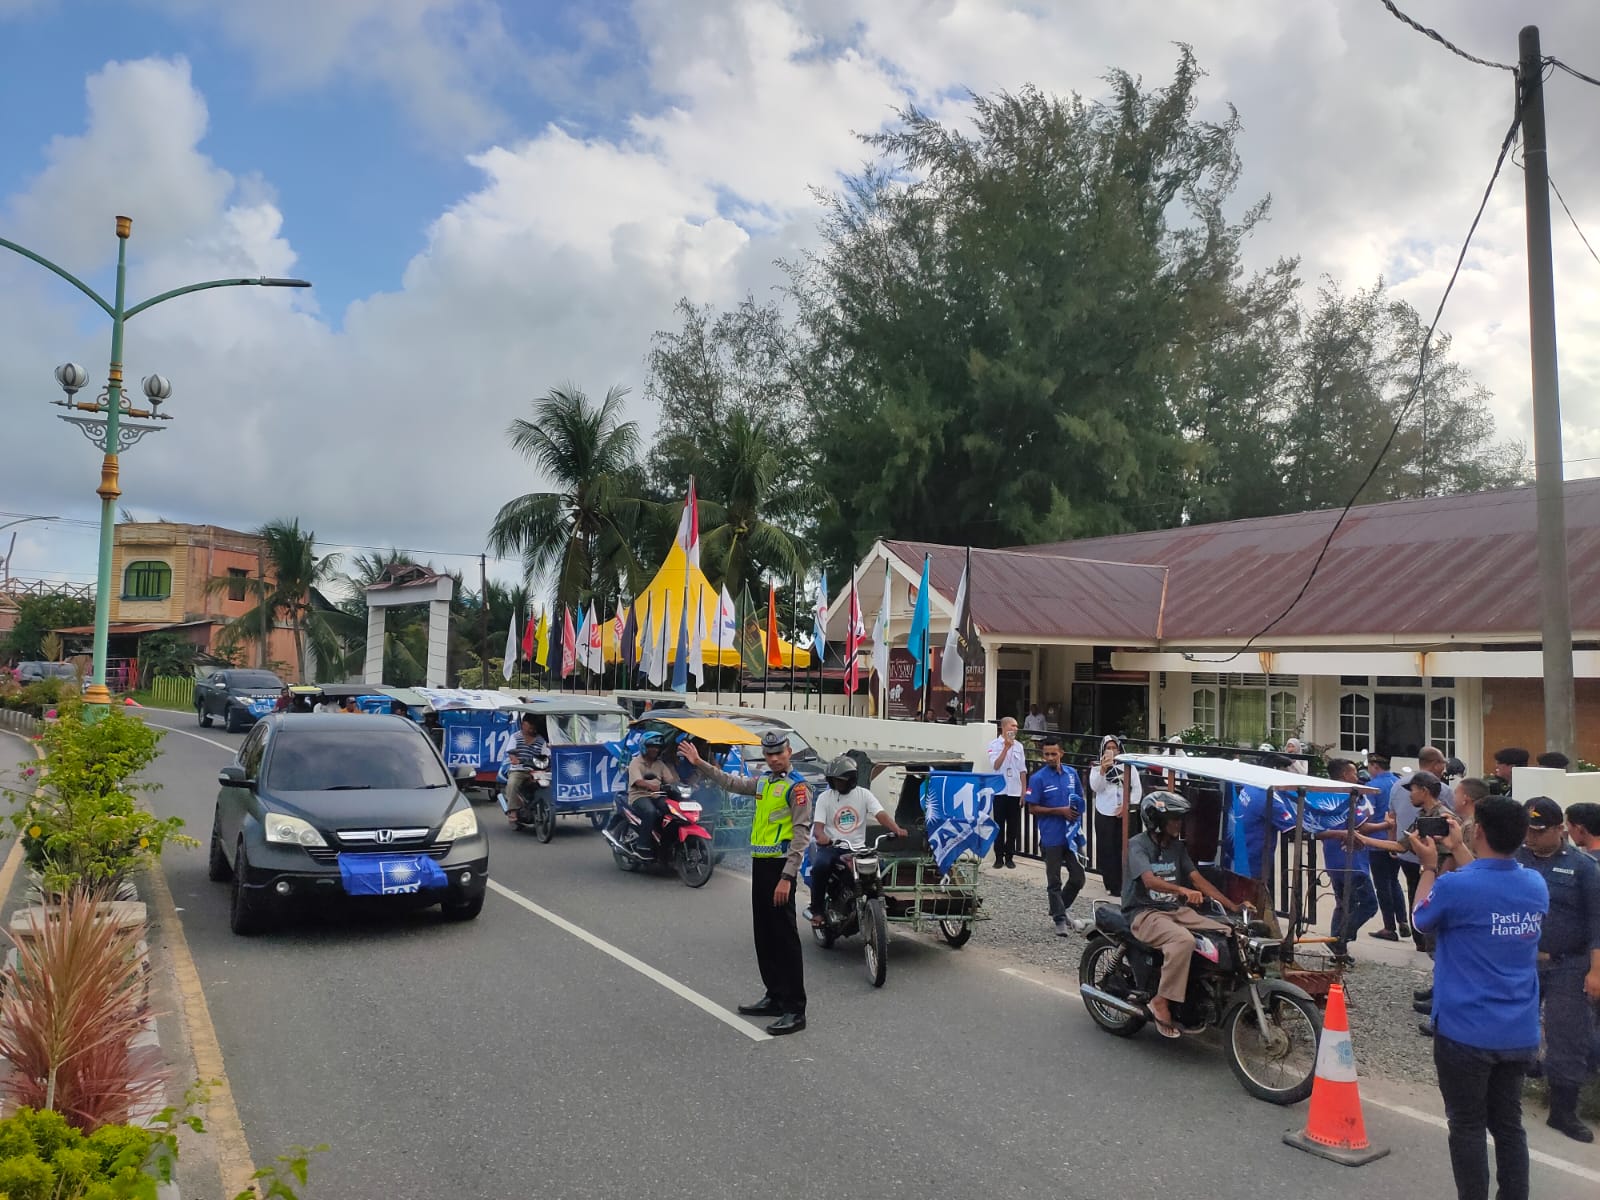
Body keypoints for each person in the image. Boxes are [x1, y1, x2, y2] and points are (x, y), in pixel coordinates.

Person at [1410, 795, 1548, 1200]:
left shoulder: (1455, 885)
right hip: (1519, 1030)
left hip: (1466, 1031)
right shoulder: (1534, 883)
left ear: (1480, 831)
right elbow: (1490, 886)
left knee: (1467, 1126)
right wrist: (1458, 847)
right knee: (1509, 1125)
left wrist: (1430, 866)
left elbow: (1421, 918)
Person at [680, 731, 811, 1035]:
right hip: (761, 866)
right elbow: (731, 782)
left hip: (780, 869)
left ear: (789, 752)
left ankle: (795, 1009)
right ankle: (775, 996)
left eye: (779, 752)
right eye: (769, 754)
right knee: (764, 935)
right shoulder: (764, 782)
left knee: (785, 940)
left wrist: (788, 877)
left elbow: (801, 835)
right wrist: (700, 762)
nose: (775, 758)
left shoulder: (798, 788)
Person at [1514, 797, 1600, 1143]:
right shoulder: (1516, 859)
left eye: (1539, 832)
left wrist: (1595, 971)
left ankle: (1564, 1111)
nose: (1532, 839)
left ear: (1560, 829)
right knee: (1515, 1028)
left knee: (1568, 1036)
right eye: (1528, 832)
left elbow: (1597, 922)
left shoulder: (1583, 867)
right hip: (1524, 960)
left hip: (1569, 963)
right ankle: (1509, 1094)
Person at [1122, 790, 1240, 1038]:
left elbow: (1198, 880)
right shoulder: (1137, 845)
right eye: (1173, 818)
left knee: (1226, 931)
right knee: (1183, 940)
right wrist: (1180, 889)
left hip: (1174, 911)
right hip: (1144, 913)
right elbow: (1150, 881)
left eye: (1179, 818)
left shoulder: (1177, 848)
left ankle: (1203, 991)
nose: (1179, 823)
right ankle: (1161, 1000)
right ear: (1156, 820)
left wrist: (1232, 907)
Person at [807, 756, 904, 927]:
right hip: (833, 847)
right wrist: (823, 838)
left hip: (858, 848)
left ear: (851, 780)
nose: (837, 784)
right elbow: (819, 828)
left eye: (841, 780)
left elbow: (880, 814)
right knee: (820, 866)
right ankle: (817, 910)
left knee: (881, 867)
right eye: (834, 780)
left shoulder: (864, 795)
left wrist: (895, 829)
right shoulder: (824, 798)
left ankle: (875, 904)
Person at [1315, 758, 1379, 965]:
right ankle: (1339, 939)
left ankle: (1339, 950)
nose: (1357, 776)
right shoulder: (1350, 798)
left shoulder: (1325, 798)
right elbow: (1362, 826)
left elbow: (1319, 831)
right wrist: (1386, 824)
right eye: (1353, 773)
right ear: (1344, 775)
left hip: (1334, 861)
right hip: (1352, 862)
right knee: (1368, 904)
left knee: (1344, 904)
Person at [1026, 736, 1086, 936]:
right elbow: (1032, 808)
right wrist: (1060, 811)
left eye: (1054, 754)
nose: (1050, 758)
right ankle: (1059, 919)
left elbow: (1079, 798)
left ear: (1061, 753)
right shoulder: (1038, 778)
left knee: (1078, 877)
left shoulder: (1071, 774)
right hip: (1051, 836)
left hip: (1070, 837)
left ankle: (1059, 907)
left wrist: (1077, 818)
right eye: (1046, 754)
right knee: (1054, 880)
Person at [1364, 752, 1408, 942]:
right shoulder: (1398, 782)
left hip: (1378, 841)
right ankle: (1403, 920)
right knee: (1394, 881)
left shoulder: (1372, 787)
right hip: (1397, 841)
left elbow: (1368, 815)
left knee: (1382, 885)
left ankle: (1389, 927)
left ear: (1375, 766)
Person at [1090, 734, 1140, 896]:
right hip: (1105, 810)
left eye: (1114, 748)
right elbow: (1096, 787)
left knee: (1125, 847)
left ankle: (1126, 882)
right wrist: (1103, 770)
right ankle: (1111, 883)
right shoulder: (1097, 767)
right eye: (1108, 748)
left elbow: (1137, 789)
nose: (1112, 751)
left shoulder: (1129, 767)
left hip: (1124, 811)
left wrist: (1126, 805)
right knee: (1107, 848)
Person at [987, 717, 1027, 869]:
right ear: (1004, 727)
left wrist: (1024, 791)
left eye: (1017, 726)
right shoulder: (993, 745)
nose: (1016, 728)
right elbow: (996, 765)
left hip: (1015, 791)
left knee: (1013, 826)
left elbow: (1022, 770)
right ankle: (999, 857)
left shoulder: (1019, 746)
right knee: (999, 825)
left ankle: (1010, 856)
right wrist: (1005, 748)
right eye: (1013, 725)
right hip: (1000, 791)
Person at [626, 732, 680, 846]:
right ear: (644, 747)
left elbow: (670, 780)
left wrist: (679, 784)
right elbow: (638, 781)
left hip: (657, 795)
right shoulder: (635, 762)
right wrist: (651, 786)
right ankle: (643, 844)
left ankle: (666, 842)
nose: (655, 750)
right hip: (639, 796)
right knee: (650, 812)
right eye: (652, 747)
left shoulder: (660, 764)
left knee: (673, 812)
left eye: (657, 747)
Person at [503, 712, 548, 825]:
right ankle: (512, 810)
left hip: (536, 770)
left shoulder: (541, 740)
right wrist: (515, 759)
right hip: (519, 769)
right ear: (523, 724)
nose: (532, 728)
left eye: (534, 725)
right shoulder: (515, 737)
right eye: (530, 725)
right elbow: (511, 754)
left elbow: (546, 756)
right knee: (512, 783)